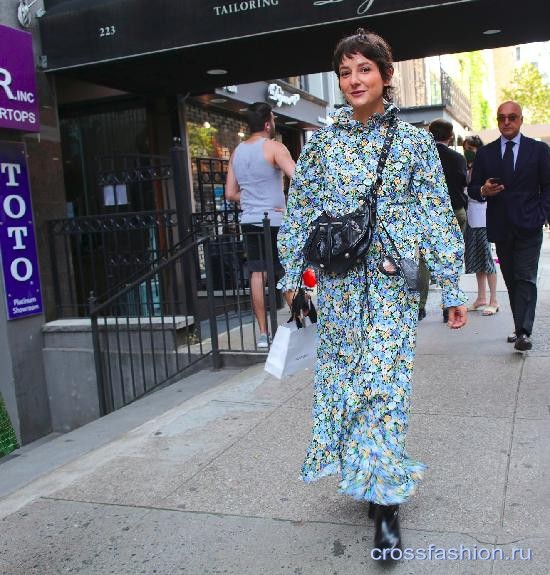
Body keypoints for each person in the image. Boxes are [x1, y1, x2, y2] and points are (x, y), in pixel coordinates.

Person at [277, 28, 467, 559]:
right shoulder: (323, 142)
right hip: (338, 288)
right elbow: (301, 211)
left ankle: (386, 506)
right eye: (344, 71)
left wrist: (452, 287)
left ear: (385, 75)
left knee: (383, 385)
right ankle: (371, 472)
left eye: (364, 69)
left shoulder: (411, 143)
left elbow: (435, 215)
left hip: (391, 285)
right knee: (346, 382)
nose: (354, 80)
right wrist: (293, 277)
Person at [468, 101, 550, 351]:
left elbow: (548, 186)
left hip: (529, 225)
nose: (507, 122)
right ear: (497, 121)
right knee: (512, 280)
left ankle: (524, 332)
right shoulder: (486, 153)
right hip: (501, 226)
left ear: (521, 120)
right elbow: (472, 189)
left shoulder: (538, 150)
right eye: (502, 117)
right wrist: (483, 190)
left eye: (512, 117)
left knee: (525, 278)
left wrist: (542, 214)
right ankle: (519, 327)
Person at [225, 102, 295, 348]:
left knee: (258, 273)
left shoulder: (237, 152)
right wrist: (281, 201)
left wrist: (254, 199)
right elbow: (299, 179)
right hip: (275, 220)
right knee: (285, 271)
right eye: (274, 119)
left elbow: (230, 192)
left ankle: (263, 334)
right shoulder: (274, 147)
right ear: (267, 124)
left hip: (250, 220)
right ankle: (304, 321)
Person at [417, 119, 468, 323]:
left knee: (422, 262)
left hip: (427, 215)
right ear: (450, 136)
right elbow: (464, 184)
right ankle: (450, 306)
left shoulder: (421, 158)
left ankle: (420, 307)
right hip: (454, 211)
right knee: (450, 259)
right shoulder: (458, 159)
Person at [462, 136, 499, 315]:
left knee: (487, 259)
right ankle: (481, 297)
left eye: (470, 148)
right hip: (472, 217)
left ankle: (494, 299)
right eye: (466, 148)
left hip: (485, 217)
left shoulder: (485, 165)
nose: (468, 151)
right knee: (477, 259)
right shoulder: (468, 167)